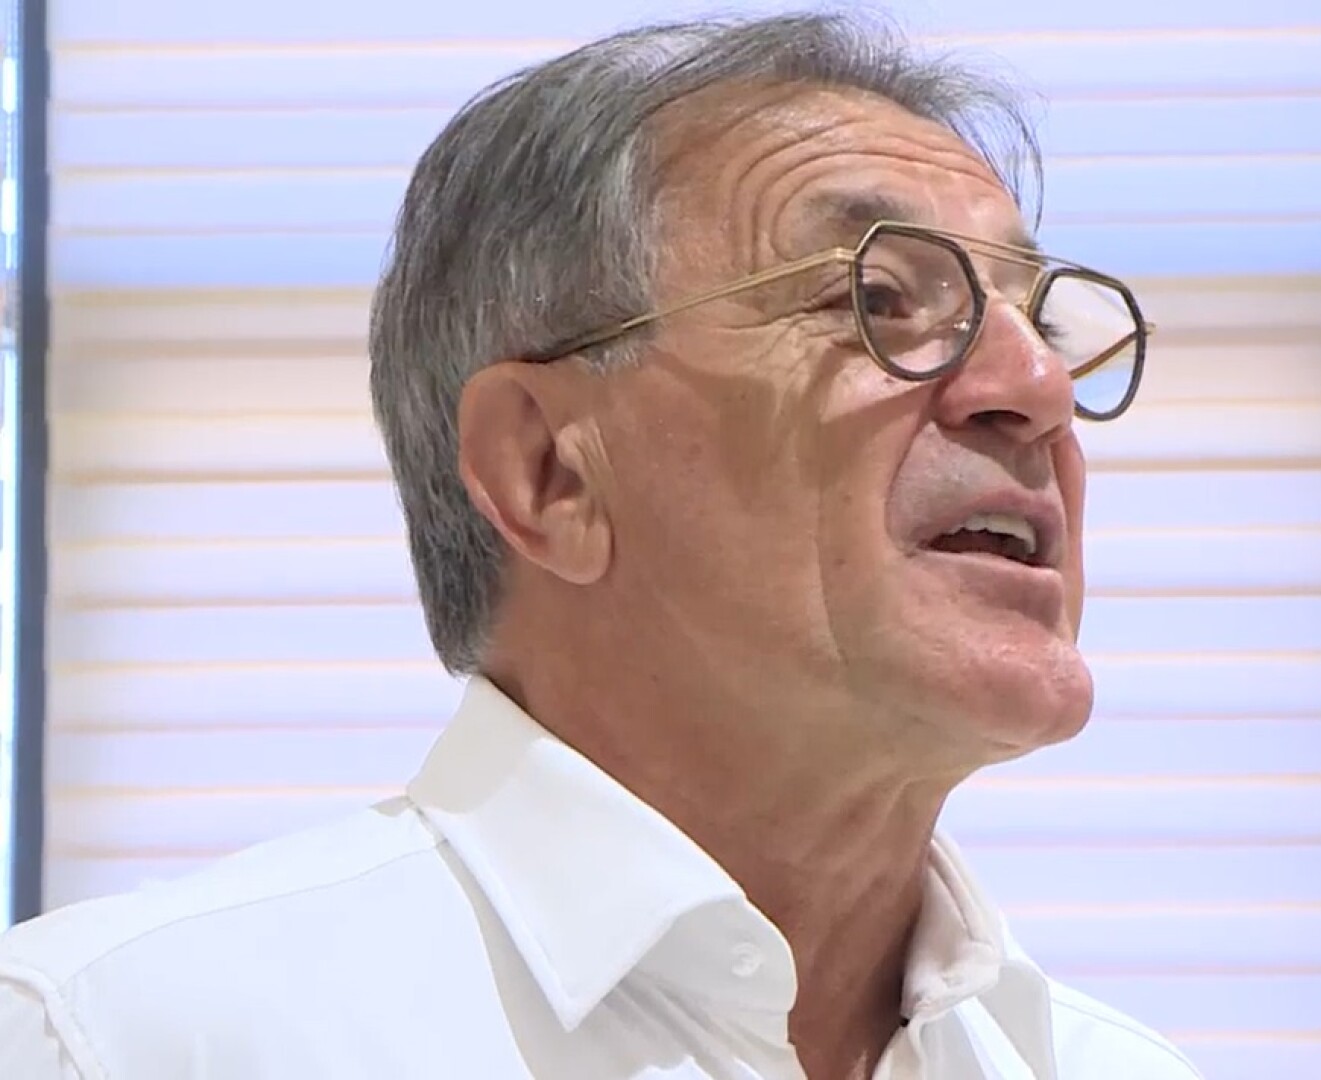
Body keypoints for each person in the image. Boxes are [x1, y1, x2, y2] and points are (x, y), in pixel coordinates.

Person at [0, 10, 1190, 1078]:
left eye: (1040, 324)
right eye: (876, 299)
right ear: (549, 472)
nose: (1038, 388)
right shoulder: (118, 1040)